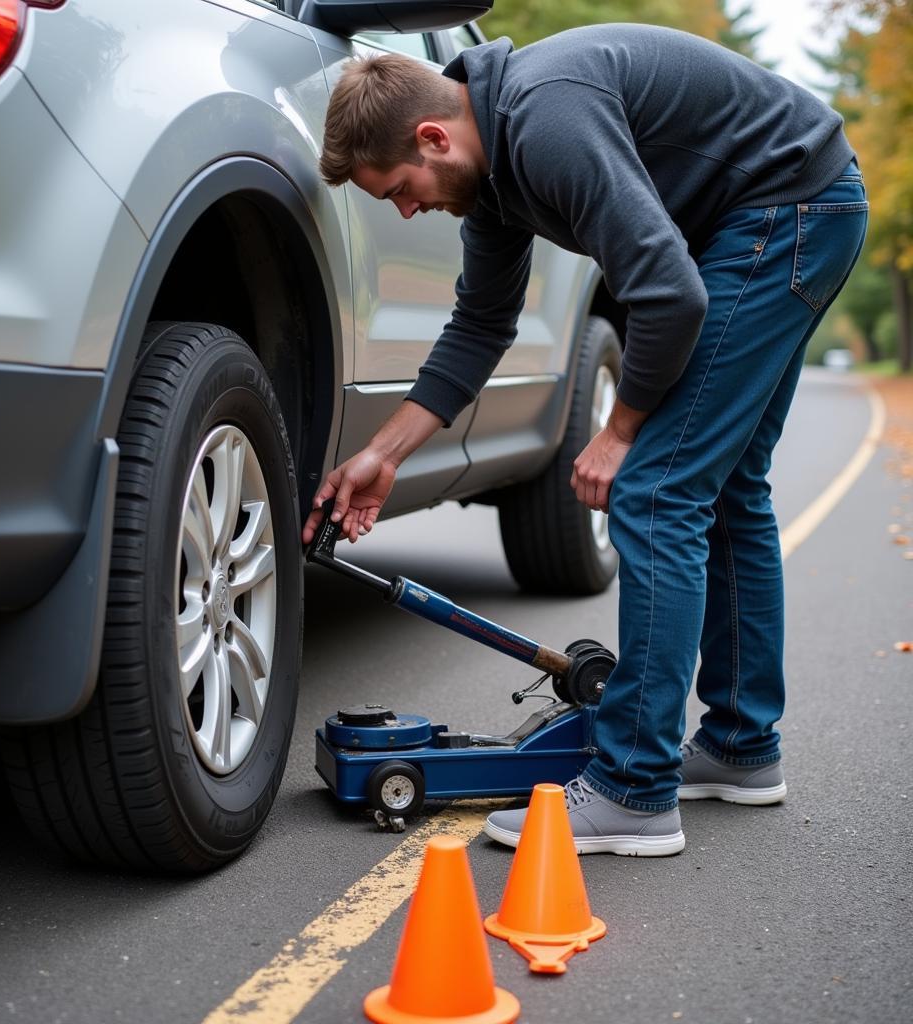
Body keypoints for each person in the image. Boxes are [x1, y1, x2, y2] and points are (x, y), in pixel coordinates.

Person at [302, 24, 868, 855]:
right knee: (727, 485)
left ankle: (634, 792)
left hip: (786, 211)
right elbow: (480, 326)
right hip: (796, 207)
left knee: (657, 489)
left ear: (432, 137)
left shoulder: (545, 117)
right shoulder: (491, 178)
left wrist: (617, 432)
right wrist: (383, 453)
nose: (408, 207)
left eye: (400, 189)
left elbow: (669, 294)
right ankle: (743, 750)